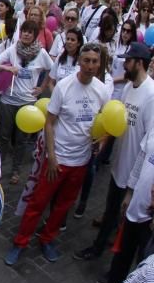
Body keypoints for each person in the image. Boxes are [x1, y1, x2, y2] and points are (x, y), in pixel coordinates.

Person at [6, 42, 110, 265]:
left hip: (81, 161)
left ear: (99, 63)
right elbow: (49, 123)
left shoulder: (102, 90)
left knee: (64, 205)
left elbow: (106, 122)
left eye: (94, 61)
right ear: (79, 62)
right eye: (86, 61)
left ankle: (47, 239)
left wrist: (101, 142)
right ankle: (20, 242)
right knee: (38, 203)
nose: (90, 66)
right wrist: (51, 157)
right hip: (58, 159)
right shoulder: (64, 86)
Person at [75, 42, 154, 262]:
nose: (124, 65)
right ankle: (103, 242)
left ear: (139, 63)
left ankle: (101, 251)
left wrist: (133, 183)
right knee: (112, 210)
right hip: (119, 165)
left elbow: (148, 142)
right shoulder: (129, 87)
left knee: (119, 216)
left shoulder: (151, 94)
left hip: (132, 174)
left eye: (128, 61)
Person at [0, 21, 53, 185]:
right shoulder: (13, 48)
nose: (26, 34)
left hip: (27, 103)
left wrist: (42, 87)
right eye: (24, 31)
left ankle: (16, 170)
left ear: (35, 35)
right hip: (8, 100)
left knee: (21, 140)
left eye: (30, 32)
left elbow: (52, 69)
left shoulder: (41, 53)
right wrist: (8, 69)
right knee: (4, 137)